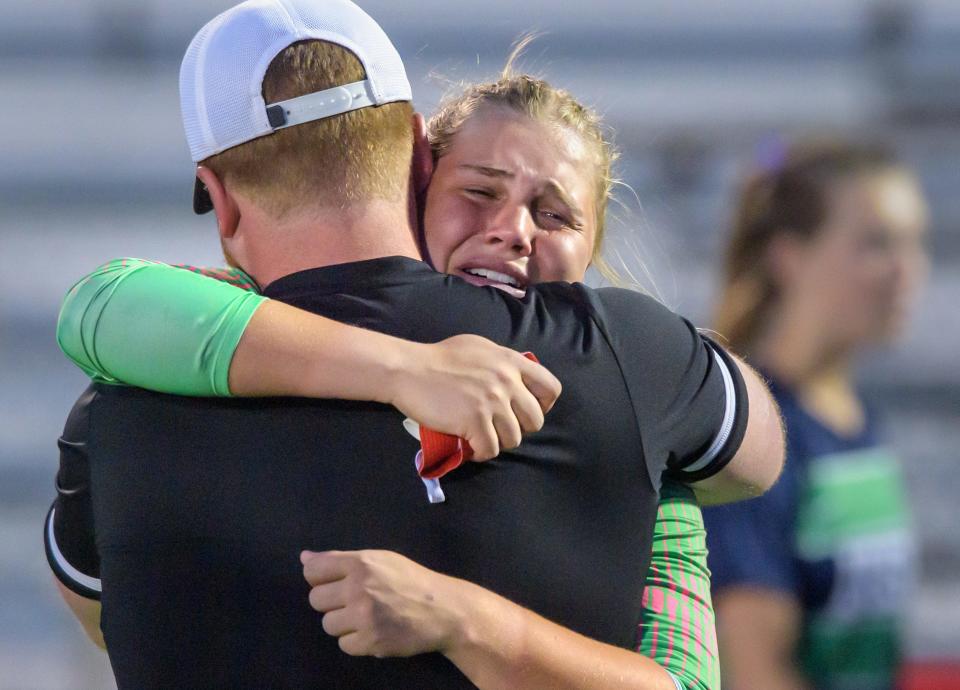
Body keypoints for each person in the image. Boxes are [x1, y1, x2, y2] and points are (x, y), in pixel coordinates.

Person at [46, 1, 783, 687]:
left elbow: (103, 619)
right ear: (417, 151)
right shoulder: (622, 354)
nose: (512, 232)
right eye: (483, 192)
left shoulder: (116, 404)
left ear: (222, 196)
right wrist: (662, 492)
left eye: (552, 213)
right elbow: (760, 452)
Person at [702, 140, 929, 690]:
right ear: (788, 257)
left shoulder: (858, 420)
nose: (907, 270)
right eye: (877, 244)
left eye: (914, 243)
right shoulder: (753, 440)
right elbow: (756, 673)